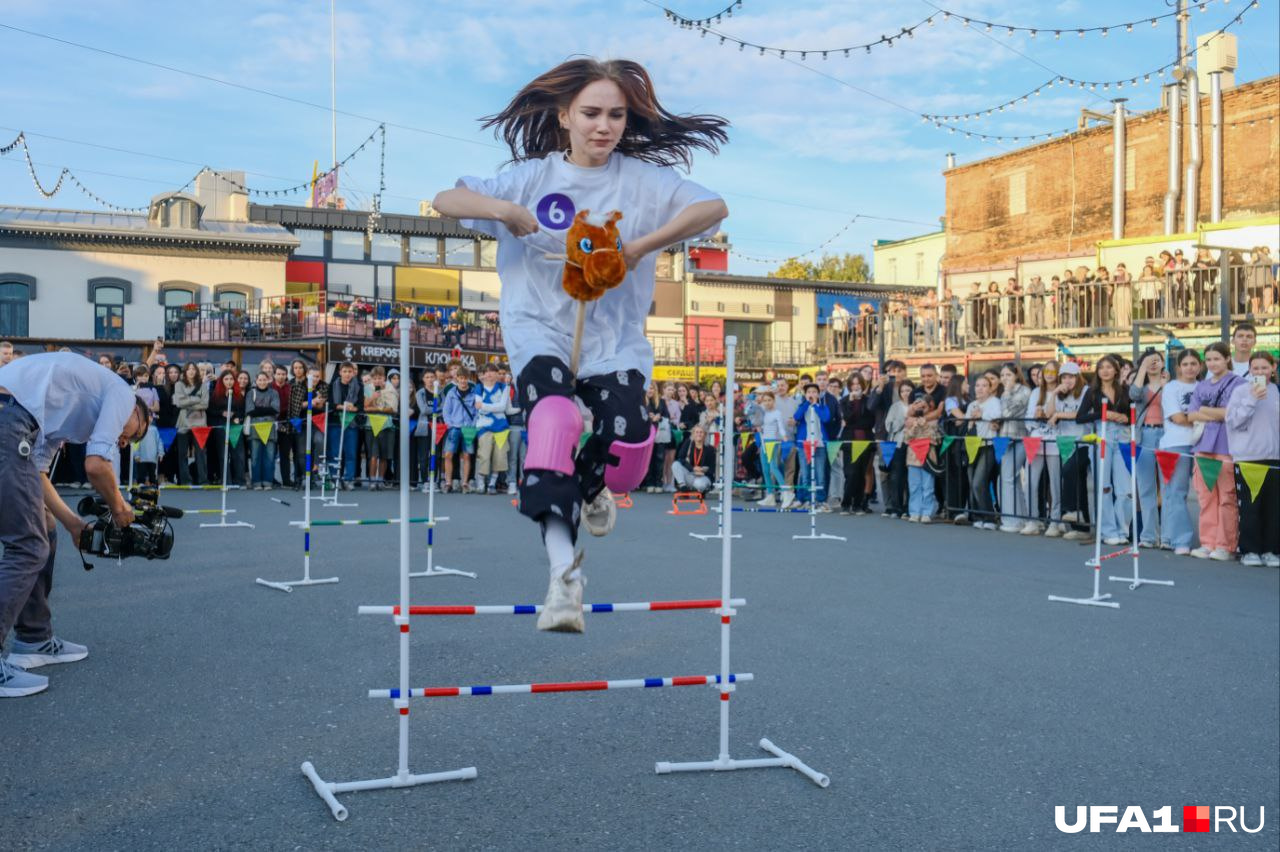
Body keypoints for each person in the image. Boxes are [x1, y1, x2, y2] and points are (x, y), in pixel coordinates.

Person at [432, 58, 728, 632]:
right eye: (591, 113)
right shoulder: (530, 178)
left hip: (612, 341)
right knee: (554, 420)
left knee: (632, 453)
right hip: (537, 330)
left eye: (616, 115)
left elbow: (712, 208)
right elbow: (447, 199)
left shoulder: (642, 182)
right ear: (564, 115)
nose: (604, 126)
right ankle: (563, 578)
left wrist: (643, 246)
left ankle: (595, 486)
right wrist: (504, 210)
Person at [0, 352, 151, 697]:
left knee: (46, 529)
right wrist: (119, 507)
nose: (125, 442)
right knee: (27, 545)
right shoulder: (122, 394)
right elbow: (97, 466)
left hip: (11, 416)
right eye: (134, 433)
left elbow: (37, 473)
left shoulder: (63, 418)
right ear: (136, 412)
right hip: (8, 418)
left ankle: (33, 639)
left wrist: (72, 524)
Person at [1187, 341, 1245, 561]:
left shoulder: (1238, 383)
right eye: (1209, 359)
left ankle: (1225, 544)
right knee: (1206, 497)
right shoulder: (1201, 386)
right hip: (1202, 447)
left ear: (1227, 358)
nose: (1212, 363)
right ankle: (1208, 542)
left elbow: (1230, 413)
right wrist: (1213, 412)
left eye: (1217, 359)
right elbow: (1191, 415)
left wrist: (1204, 410)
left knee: (1227, 498)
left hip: (1227, 447)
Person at [1226, 352, 1279, 567]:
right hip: (1248, 458)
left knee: (1273, 508)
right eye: (1255, 368)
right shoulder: (1240, 391)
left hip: (1274, 457)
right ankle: (1250, 550)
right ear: (1249, 370)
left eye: (1264, 368)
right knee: (1250, 506)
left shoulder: (1277, 391)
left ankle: (1271, 549)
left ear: (1273, 368)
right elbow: (1234, 421)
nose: (1260, 372)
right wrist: (1252, 398)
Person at [1075, 355, 1132, 546]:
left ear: (1116, 370)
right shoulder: (1092, 392)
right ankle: (1108, 530)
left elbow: (1132, 416)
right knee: (1105, 487)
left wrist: (1126, 419)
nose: (1105, 371)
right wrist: (1103, 414)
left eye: (1109, 367)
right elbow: (1080, 417)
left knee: (1125, 489)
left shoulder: (1125, 390)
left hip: (1122, 438)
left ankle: (1122, 529)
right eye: (1101, 367)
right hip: (1103, 437)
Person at [1159, 350, 1202, 555]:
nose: (1190, 367)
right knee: (1176, 492)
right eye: (1185, 364)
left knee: (1205, 493)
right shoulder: (1171, 388)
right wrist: (1204, 418)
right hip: (1176, 444)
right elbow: (1176, 417)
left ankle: (1168, 536)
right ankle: (1180, 539)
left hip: (1202, 443)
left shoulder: (1204, 387)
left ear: (1200, 366)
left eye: (1194, 363)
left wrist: (1198, 418)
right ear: (1178, 368)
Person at [1128, 349, 1167, 548]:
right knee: (1146, 488)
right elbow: (1133, 395)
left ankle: (1168, 536)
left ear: (1163, 362)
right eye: (1148, 361)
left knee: (1167, 488)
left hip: (1167, 436)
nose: (1153, 363)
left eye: (1157, 360)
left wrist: (1166, 385)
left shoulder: (1170, 385)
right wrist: (1142, 368)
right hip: (1145, 436)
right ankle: (1149, 536)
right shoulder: (1140, 388)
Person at [1024, 360, 1062, 537]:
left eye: (1053, 372)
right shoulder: (1035, 392)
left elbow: (1060, 415)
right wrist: (1036, 416)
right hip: (1035, 440)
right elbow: (1028, 418)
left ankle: (1055, 520)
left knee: (1055, 483)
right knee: (1030, 482)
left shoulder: (1062, 392)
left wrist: (1049, 414)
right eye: (1046, 371)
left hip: (1054, 440)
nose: (1049, 374)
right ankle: (1033, 519)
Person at [996, 363, 1031, 533]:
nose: (1004, 378)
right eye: (1002, 375)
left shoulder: (1023, 391)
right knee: (1011, 478)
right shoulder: (1004, 393)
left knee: (1008, 477)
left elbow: (1008, 413)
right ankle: (1018, 518)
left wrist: (1007, 393)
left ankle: (1011, 519)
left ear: (1016, 375)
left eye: (1008, 375)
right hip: (1005, 438)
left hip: (1020, 437)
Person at [473, 362, 512, 494]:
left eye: (492, 371)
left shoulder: (504, 387)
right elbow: (479, 409)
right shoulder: (479, 388)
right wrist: (489, 407)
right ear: (483, 375)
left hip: (501, 427)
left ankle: (492, 484)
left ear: (497, 374)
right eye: (486, 372)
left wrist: (484, 406)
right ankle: (480, 482)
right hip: (484, 426)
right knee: (484, 454)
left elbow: (503, 407)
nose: (489, 374)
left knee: (499, 456)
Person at [838, 376, 874, 515]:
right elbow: (848, 418)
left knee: (861, 473)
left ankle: (858, 504)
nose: (856, 386)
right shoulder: (844, 401)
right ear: (849, 387)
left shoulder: (869, 400)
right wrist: (852, 403)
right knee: (850, 472)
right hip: (849, 440)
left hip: (865, 439)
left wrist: (856, 423)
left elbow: (870, 421)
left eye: (858, 383)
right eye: (853, 384)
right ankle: (846, 503)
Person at [792, 382, 831, 511]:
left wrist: (816, 405)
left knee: (820, 474)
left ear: (818, 394)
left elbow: (826, 419)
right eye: (809, 392)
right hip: (804, 444)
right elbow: (796, 416)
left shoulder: (823, 407)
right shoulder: (803, 406)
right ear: (805, 394)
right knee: (805, 473)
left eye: (814, 392)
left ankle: (821, 500)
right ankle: (807, 499)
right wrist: (807, 404)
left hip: (819, 444)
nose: (812, 394)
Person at [327, 361, 363, 489]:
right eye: (345, 371)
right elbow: (330, 404)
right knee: (335, 453)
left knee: (351, 453)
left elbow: (360, 406)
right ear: (340, 372)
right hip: (335, 423)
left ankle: (349, 480)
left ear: (354, 373)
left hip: (351, 424)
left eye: (350, 371)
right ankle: (334, 479)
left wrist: (354, 408)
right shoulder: (332, 385)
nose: (347, 374)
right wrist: (342, 406)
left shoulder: (359, 386)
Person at [441, 370, 478, 493]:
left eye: (465, 378)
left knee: (467, 456)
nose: (463, 381)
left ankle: (465, 483)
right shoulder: (451, 393)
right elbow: (446, 411)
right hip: (454, 428)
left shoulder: (474, 393)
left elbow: (477, 412)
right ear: (457, 378)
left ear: (468, 378)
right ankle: (448, 482)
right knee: (448, 455)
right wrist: (450, 425)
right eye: (461, 378)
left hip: (468, 428)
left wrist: (473, 425)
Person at [362, 366, 398, 491]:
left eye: (380, 378)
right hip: (370, 426)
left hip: (387, 426)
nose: (377, 381)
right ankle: (372, 480)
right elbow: (365, 407)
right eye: (375, 378)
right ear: (372, 379)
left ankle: (380, 480)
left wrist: (376, 409)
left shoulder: (391, 390)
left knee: (384, 456)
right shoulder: (368, 389)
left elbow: (392, 409)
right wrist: (373, 397)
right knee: (373, 455)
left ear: (384, 378)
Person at [211, 370, 247, 487]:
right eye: (226, 379)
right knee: (223, 455)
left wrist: (237, 417)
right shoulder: (215, 395)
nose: (229, 382)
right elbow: (210, 411)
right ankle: (226, 481)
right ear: (222, 381)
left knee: (238, 455)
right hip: (221, 427)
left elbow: (242, 411)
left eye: (231, 379)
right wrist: (222, 413)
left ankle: (240, 481)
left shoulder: (239, 395)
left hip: (235, 428)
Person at [245, 371, 280, 490]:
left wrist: (258, 410)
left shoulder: (274, 393)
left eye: (264, 379)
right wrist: (267, 410)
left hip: (270, 431)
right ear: (256, 381)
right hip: (254, 430)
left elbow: (276, 409)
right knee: (255, 457)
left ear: (269, 380)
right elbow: (250, 410)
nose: (262, 382)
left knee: (269, 457)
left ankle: (268, 481)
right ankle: (256, 482)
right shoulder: (251, 393)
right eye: (260, 380)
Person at [672, 423, 715, 495]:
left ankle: (701, 491)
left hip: (702, 476)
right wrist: (693, 468)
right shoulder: (688, 443)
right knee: (675, 464)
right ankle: (683, 486)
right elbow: (680, 458)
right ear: (693, 434)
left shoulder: (710, 449)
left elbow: (712, 468)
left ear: (705, 434)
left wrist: (702, 471)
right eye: (697, 432)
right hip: (690, 473)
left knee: (700, 485)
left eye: (701, 432)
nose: (699, 434)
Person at [272, 365, 294, 488]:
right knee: (271, 454)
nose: (281, 376)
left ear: (286, 375)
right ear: (274, 375)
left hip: (287, 425)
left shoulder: (290, 388)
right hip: (272, 425)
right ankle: (271, 478)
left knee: (285, 455)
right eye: (278, 374)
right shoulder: (270, 387)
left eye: (283, 374)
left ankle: (286, 480)